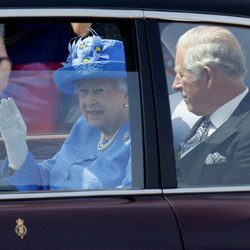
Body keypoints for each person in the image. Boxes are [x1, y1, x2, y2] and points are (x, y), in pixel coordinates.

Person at [0, 32, 131, 190]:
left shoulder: (139, 138)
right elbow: (45, 179)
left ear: (126, 94)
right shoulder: (84, 127)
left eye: (99, 90)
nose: (89, 101)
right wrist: (17, 148)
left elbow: (129, 204)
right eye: (83, 91)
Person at [172, 25, 250, 187]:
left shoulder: (246, 133)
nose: (175, 85)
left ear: (208, 76)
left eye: (182, 74)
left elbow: (232, 207)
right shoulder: (209, 118)